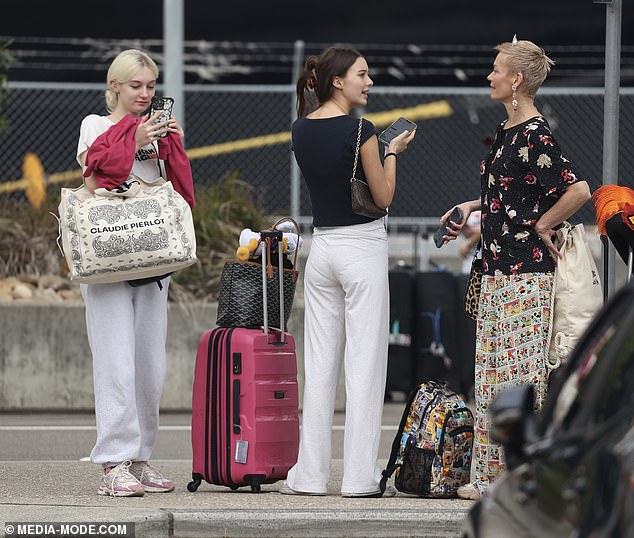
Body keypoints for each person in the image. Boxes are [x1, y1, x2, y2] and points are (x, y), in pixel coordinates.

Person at [439, 37, 591, 499]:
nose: (490, 75)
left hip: (525, 273)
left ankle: (519, 476)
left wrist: (544, 223)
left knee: (519, 376)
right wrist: (471, 207)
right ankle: (490, 478)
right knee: (490, 373)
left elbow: (579, 190)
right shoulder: (509, 132)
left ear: (517, 80)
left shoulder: (534, 135)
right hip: (497, 269)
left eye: (496, 68)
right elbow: (509, 192)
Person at [280, 46, 415, 498]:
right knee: (365, 365)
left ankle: (310, 476)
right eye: (363, 74)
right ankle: (359, 477)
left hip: (323, 251)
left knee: (319, 367)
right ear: (338, 81)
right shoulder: (362, 130)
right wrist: (392, 152)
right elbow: (383, 197)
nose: (369, 81)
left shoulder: (300, 129)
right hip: (361, 249)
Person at [76, 49, 194, 497]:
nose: (144, 94)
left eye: (150, 86)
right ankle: (112, 463)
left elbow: (180, 189)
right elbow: (97, 177)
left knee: (150, 365)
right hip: (108, 257)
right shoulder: (97, 125)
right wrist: (134, 133)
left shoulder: (155, 129)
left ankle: (139, 457)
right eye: (134, 86)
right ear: (115, 88)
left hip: (153, 255)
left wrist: (169, 145)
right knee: (115, 361)